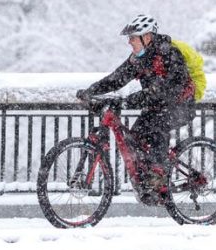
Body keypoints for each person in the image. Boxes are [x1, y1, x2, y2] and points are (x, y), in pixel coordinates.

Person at [76, 14, 196, 205]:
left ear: (146, 36)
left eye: (133, 37)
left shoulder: (168, 54)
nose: (130, 42)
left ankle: (158, 179)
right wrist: (91, 91)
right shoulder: (139, 58)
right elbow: (117, 79)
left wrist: (126, 101)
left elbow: (161, 91)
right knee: (135, 136)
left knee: (156, 127)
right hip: (157, 106)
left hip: (179, 104)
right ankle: (147, 180)